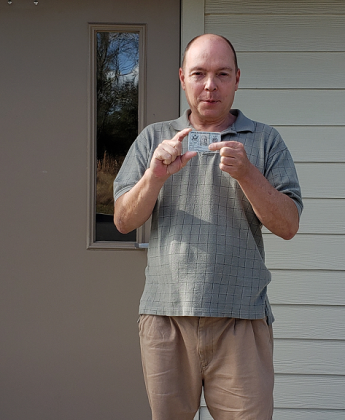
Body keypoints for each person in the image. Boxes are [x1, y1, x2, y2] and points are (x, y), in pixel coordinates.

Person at [112, 33, 303, 420]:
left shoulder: (266, 141)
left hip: (241, 319)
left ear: (237, 79)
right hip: (166, 317)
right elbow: (122, 219)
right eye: (199, 73)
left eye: (222, 74)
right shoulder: (154, 139)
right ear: (182, 77)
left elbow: (288, 225)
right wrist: (154, 177)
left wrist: (248, 174)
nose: (210, 85)